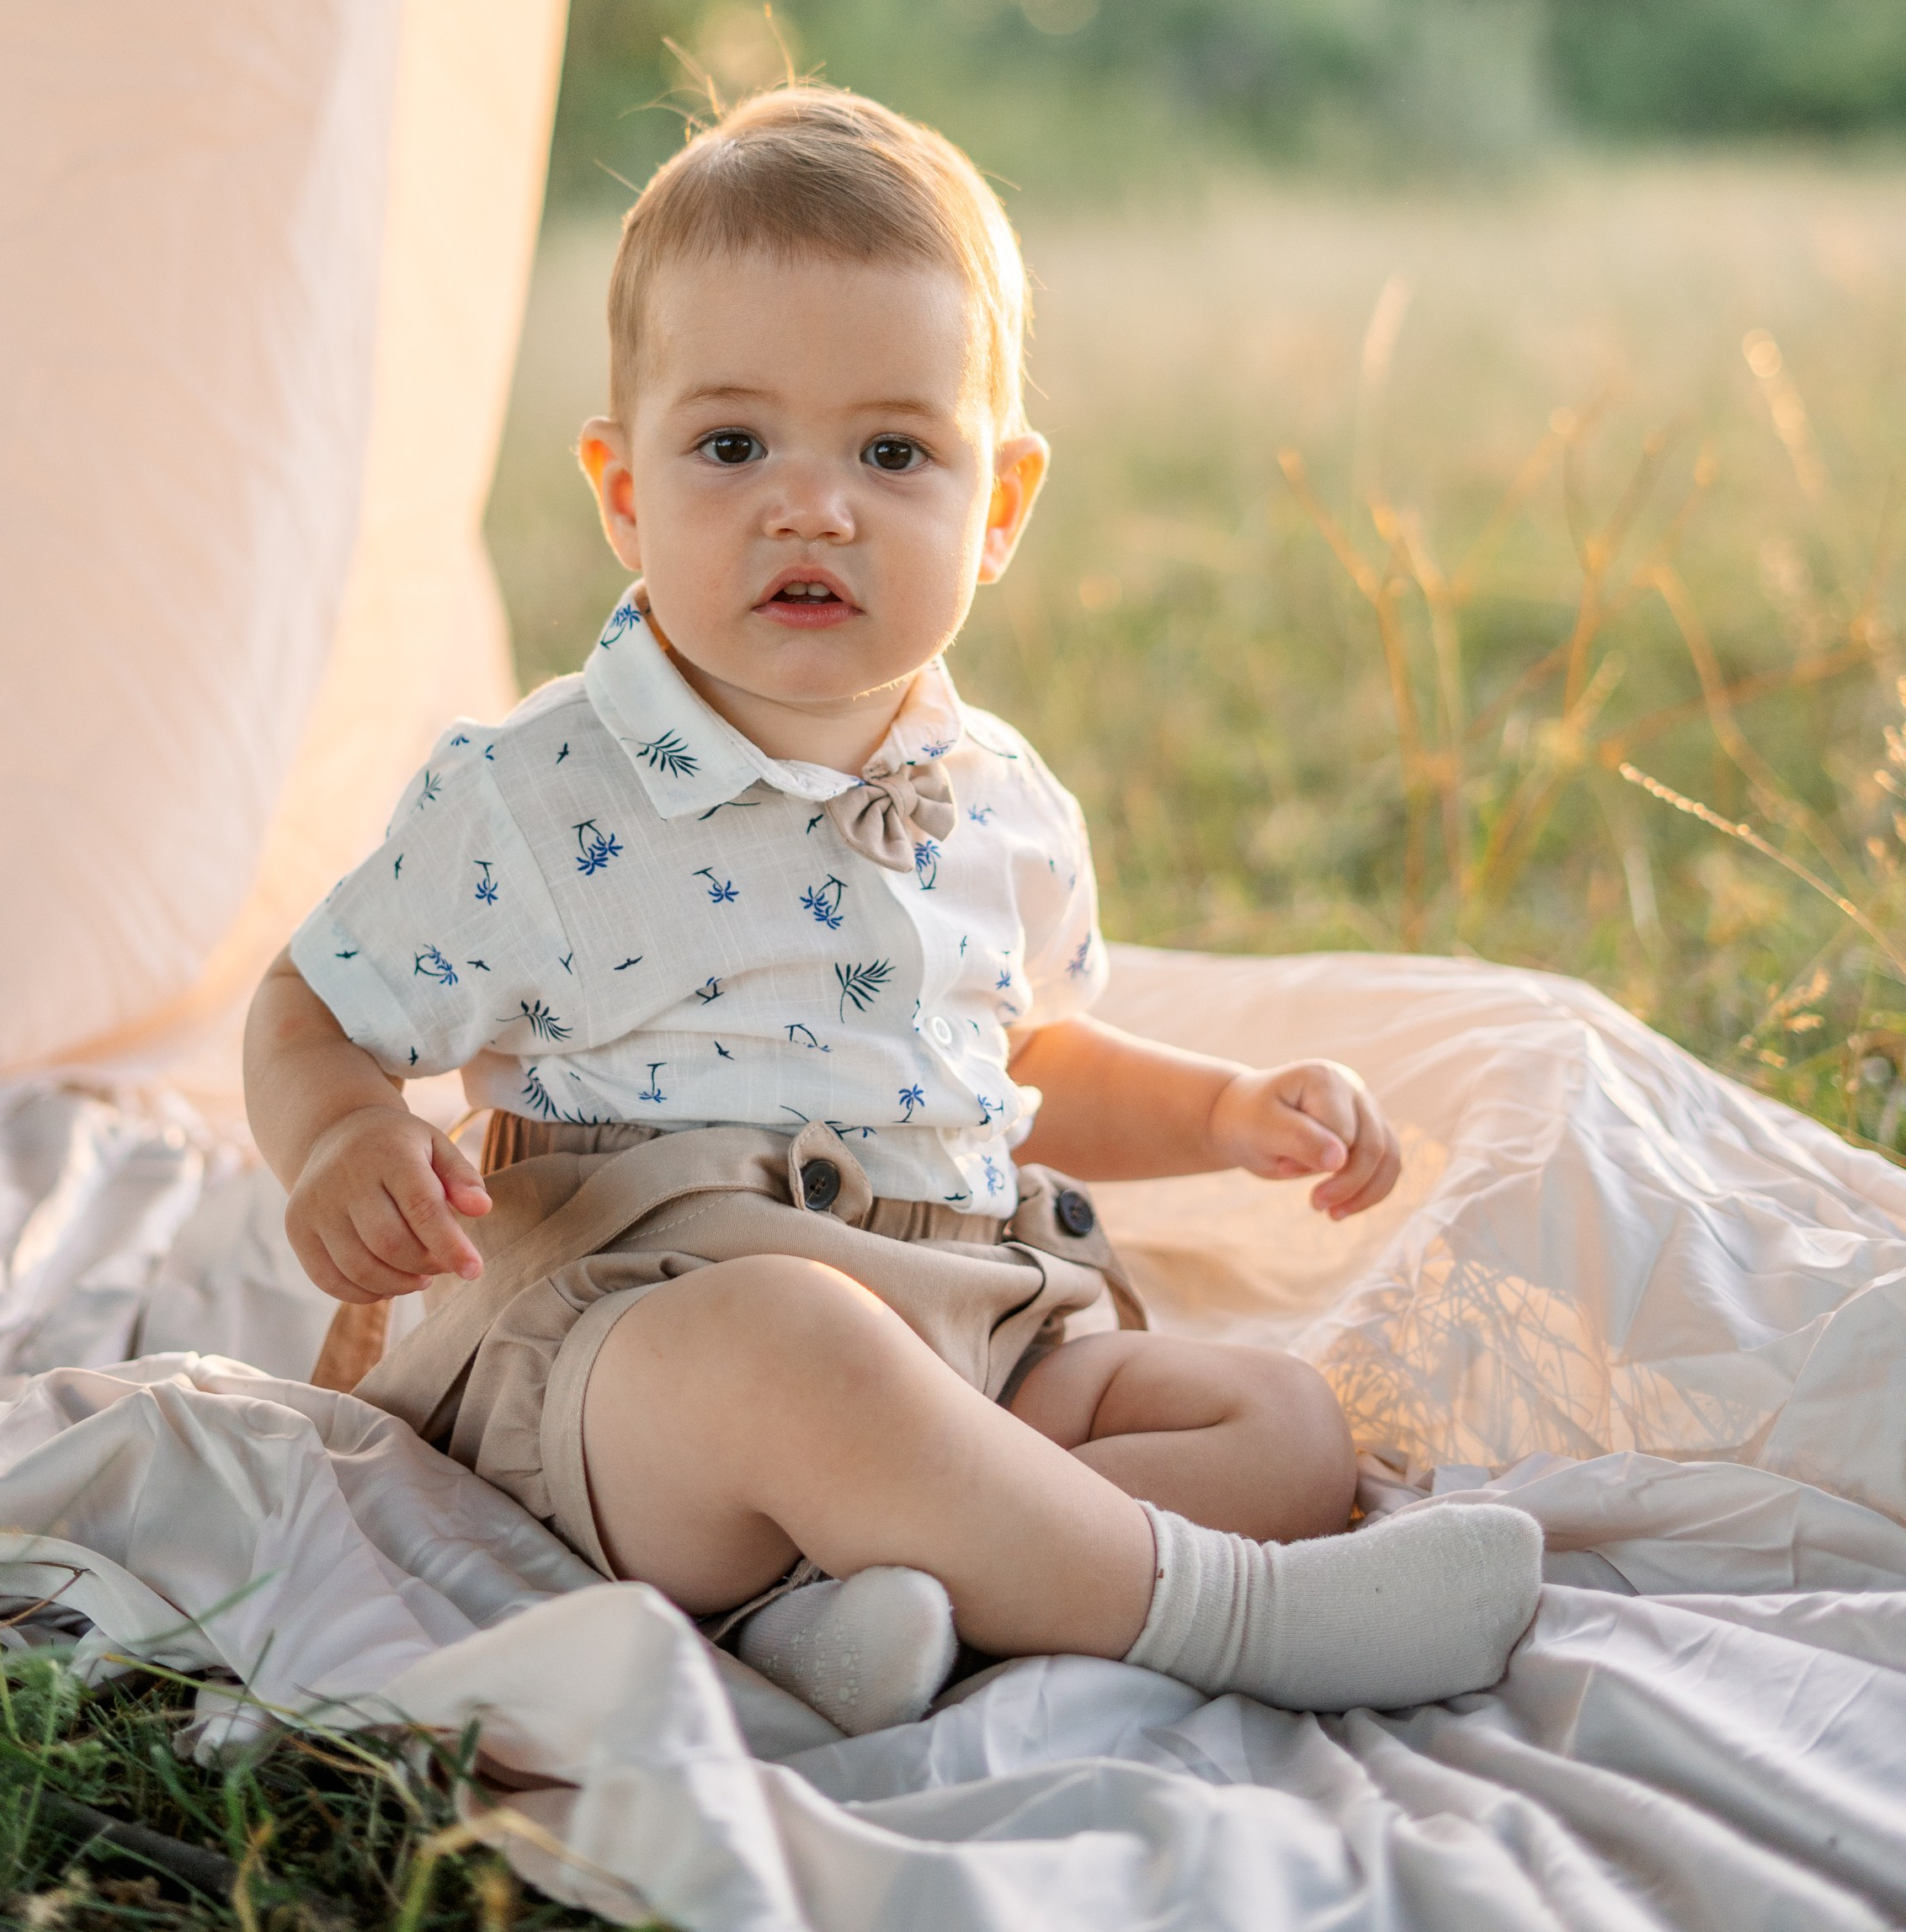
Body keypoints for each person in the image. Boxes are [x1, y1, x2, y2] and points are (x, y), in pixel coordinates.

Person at [245, 88, 1541, 1732]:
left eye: (891, 450)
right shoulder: (538, 792)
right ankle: (1224, 1617)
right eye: (730, 445)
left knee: (1281, 1426)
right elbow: (308, 1007)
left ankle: (840, 1618)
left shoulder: (995, 795)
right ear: (623, 490)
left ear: (997, 508)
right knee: (796, 1349)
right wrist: (338, 1138)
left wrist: (1221, 1110)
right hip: (639, 1367)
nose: (812, 505)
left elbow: (1020, 1063)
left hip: (979, 1324)